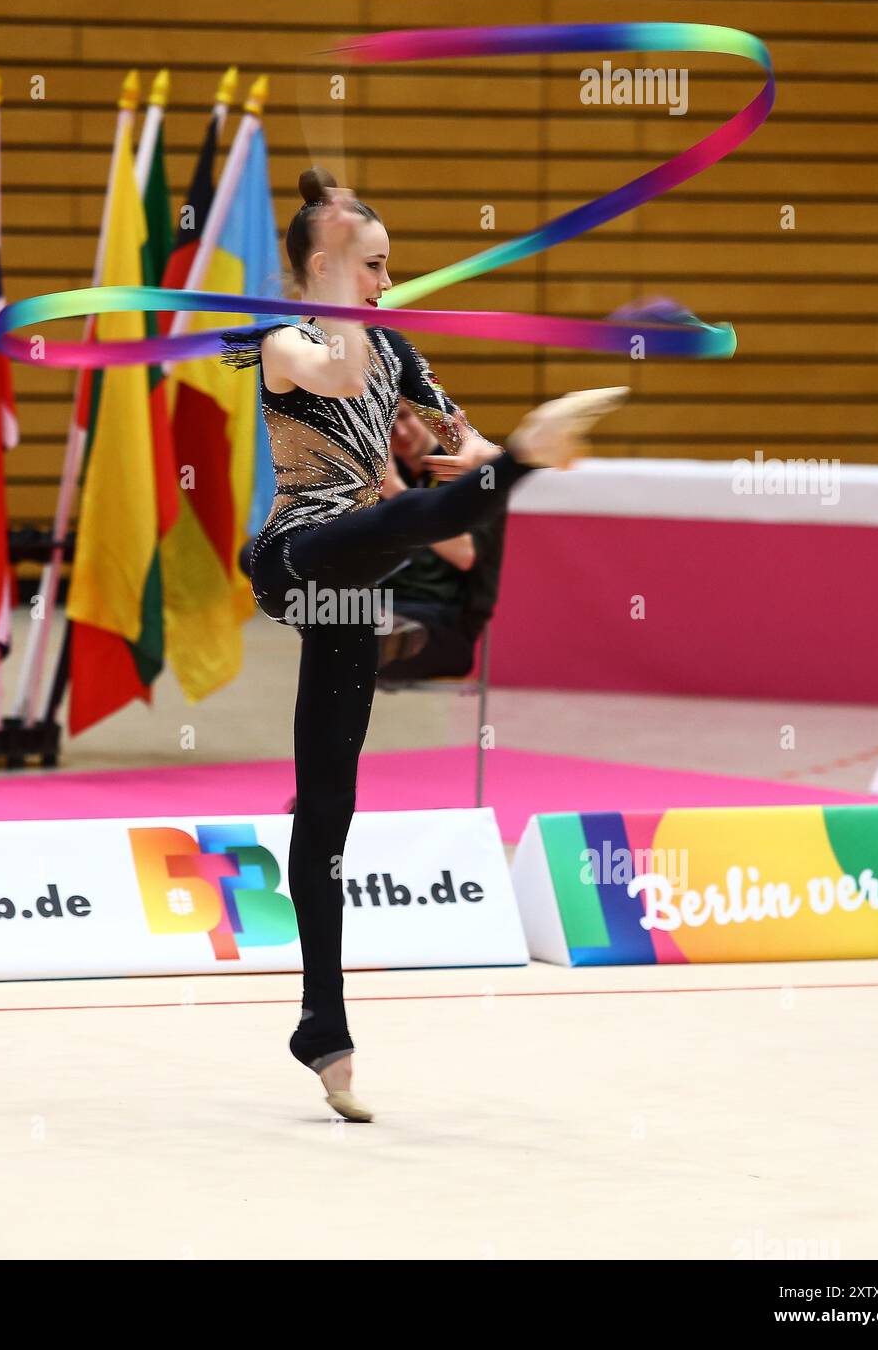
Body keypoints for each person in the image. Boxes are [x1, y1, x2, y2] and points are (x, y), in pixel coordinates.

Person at [221, 166, 628, 1122]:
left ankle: (321, 1029)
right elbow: (338, 375)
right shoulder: (287, 341)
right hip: (299, 555)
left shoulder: (391, 343)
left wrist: (490, 455)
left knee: (328, 810)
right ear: (322, 268)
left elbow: (459, 437)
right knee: (404, 519)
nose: (386, 284)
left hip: (354, 590)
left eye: (390, 268)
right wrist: (508, 465)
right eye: (371, 266)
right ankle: (530, 462)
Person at [376, 398, 509, 679]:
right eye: (389, 424)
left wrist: (397, 493)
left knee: (348, 642)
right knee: (326, 615)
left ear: (428, 416)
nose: (399, 433)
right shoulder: (383, 475)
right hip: (382, 606)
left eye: (405, 417)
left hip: (445, 620)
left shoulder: (474, 473)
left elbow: (465, 554)